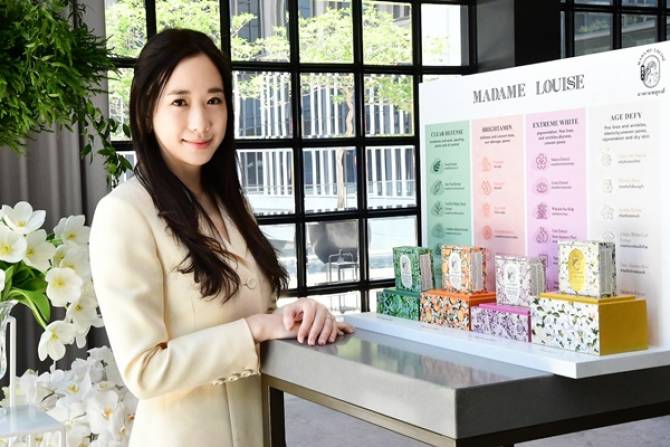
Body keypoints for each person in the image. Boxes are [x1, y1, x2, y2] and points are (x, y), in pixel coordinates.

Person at [89, 28, 354, 446]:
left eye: (214, 100)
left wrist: (294, 316)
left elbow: (257, 313)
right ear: (145, 111)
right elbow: (145, 370)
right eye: (180, 102)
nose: (201, 121)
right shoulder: (124, 213)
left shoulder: (231, 204)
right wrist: (256, 328)